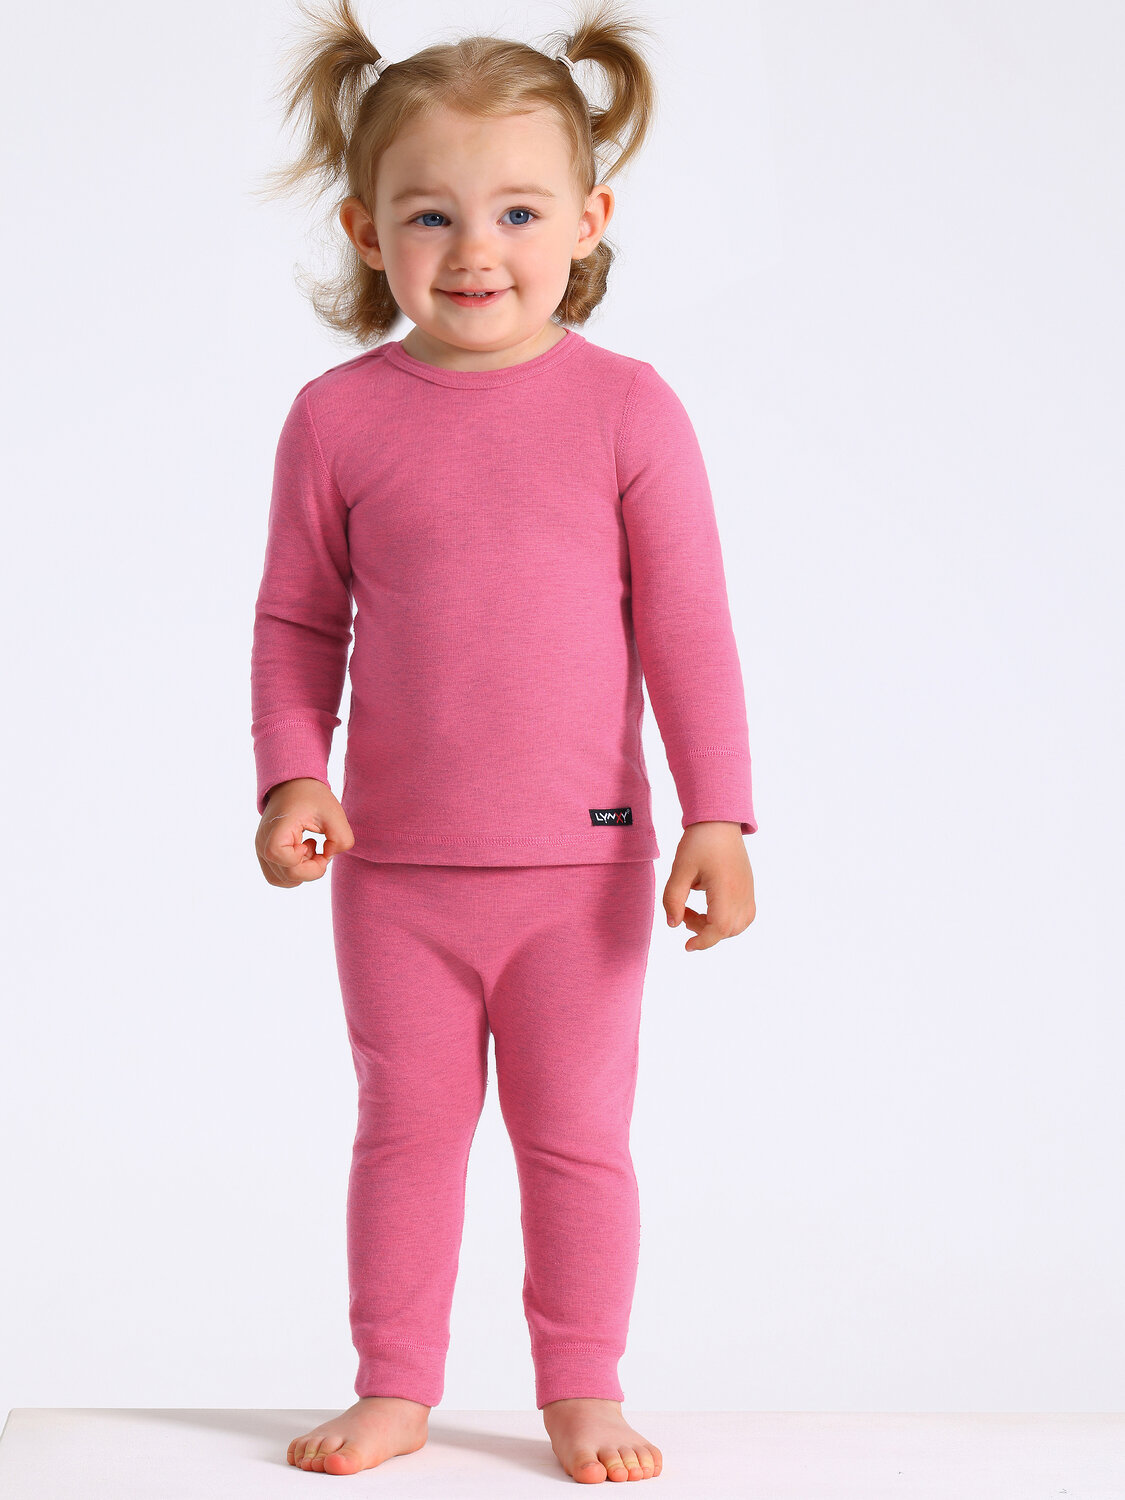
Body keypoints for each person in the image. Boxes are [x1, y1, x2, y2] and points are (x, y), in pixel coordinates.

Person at [250, 0, 758, 1481]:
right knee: (403, 1137)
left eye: (519, 211)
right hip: (395, 876)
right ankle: (396, 1384)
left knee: (575, 1140)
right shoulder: (337, 420)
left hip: (580, 876)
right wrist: (292, 773)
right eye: (431, 213)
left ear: (590, 218)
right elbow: (296, 624)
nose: (476, 248)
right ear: (367, 230)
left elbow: (689, 631)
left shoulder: (628, 411)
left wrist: (719, 815)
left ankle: (581, 1387)